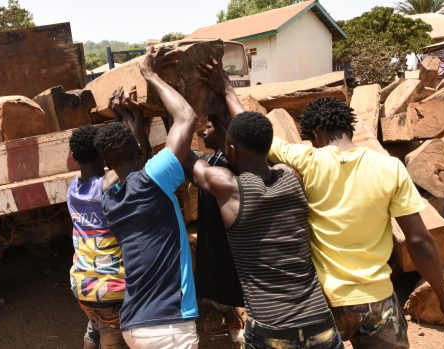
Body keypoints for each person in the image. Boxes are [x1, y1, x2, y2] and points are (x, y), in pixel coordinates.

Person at [204, 56, 444, 347]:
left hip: (323, 306)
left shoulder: (307, 160)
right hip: (377, 301)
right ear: (350, 130)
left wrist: (226, 88)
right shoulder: (391, 168)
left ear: (315, 134)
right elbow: (419, 241)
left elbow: (253, 131)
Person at [184, 111, 343, 349]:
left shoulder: (231, 189)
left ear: (231, 149)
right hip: (319, 321)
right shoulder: (291, 177)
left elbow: (181, 155)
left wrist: (184, 117)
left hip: (272, 328)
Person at [94, 46, 199, 349]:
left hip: (135, 326)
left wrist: (129, 120)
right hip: (169, 327)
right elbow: (186, 117)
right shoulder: (153, 181)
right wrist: (149, 74)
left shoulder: (108, 198)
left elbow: (130, 164)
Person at [67, 124, 126, 349]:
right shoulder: (104, 187)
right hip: (110, 287)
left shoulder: (72, 189)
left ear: (74, 156)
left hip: (82, 284)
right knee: (112, 338)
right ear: (102, 153)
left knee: (95, 327)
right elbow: (129, 163)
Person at [194, 118, 247, 344]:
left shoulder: (232, 166)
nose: (203, 129)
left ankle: (231, 312)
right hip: (211, 248)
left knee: (224, 283)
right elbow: (183, 156)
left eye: (211, 124)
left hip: (227, 250)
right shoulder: (209, 159)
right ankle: (225, 310)